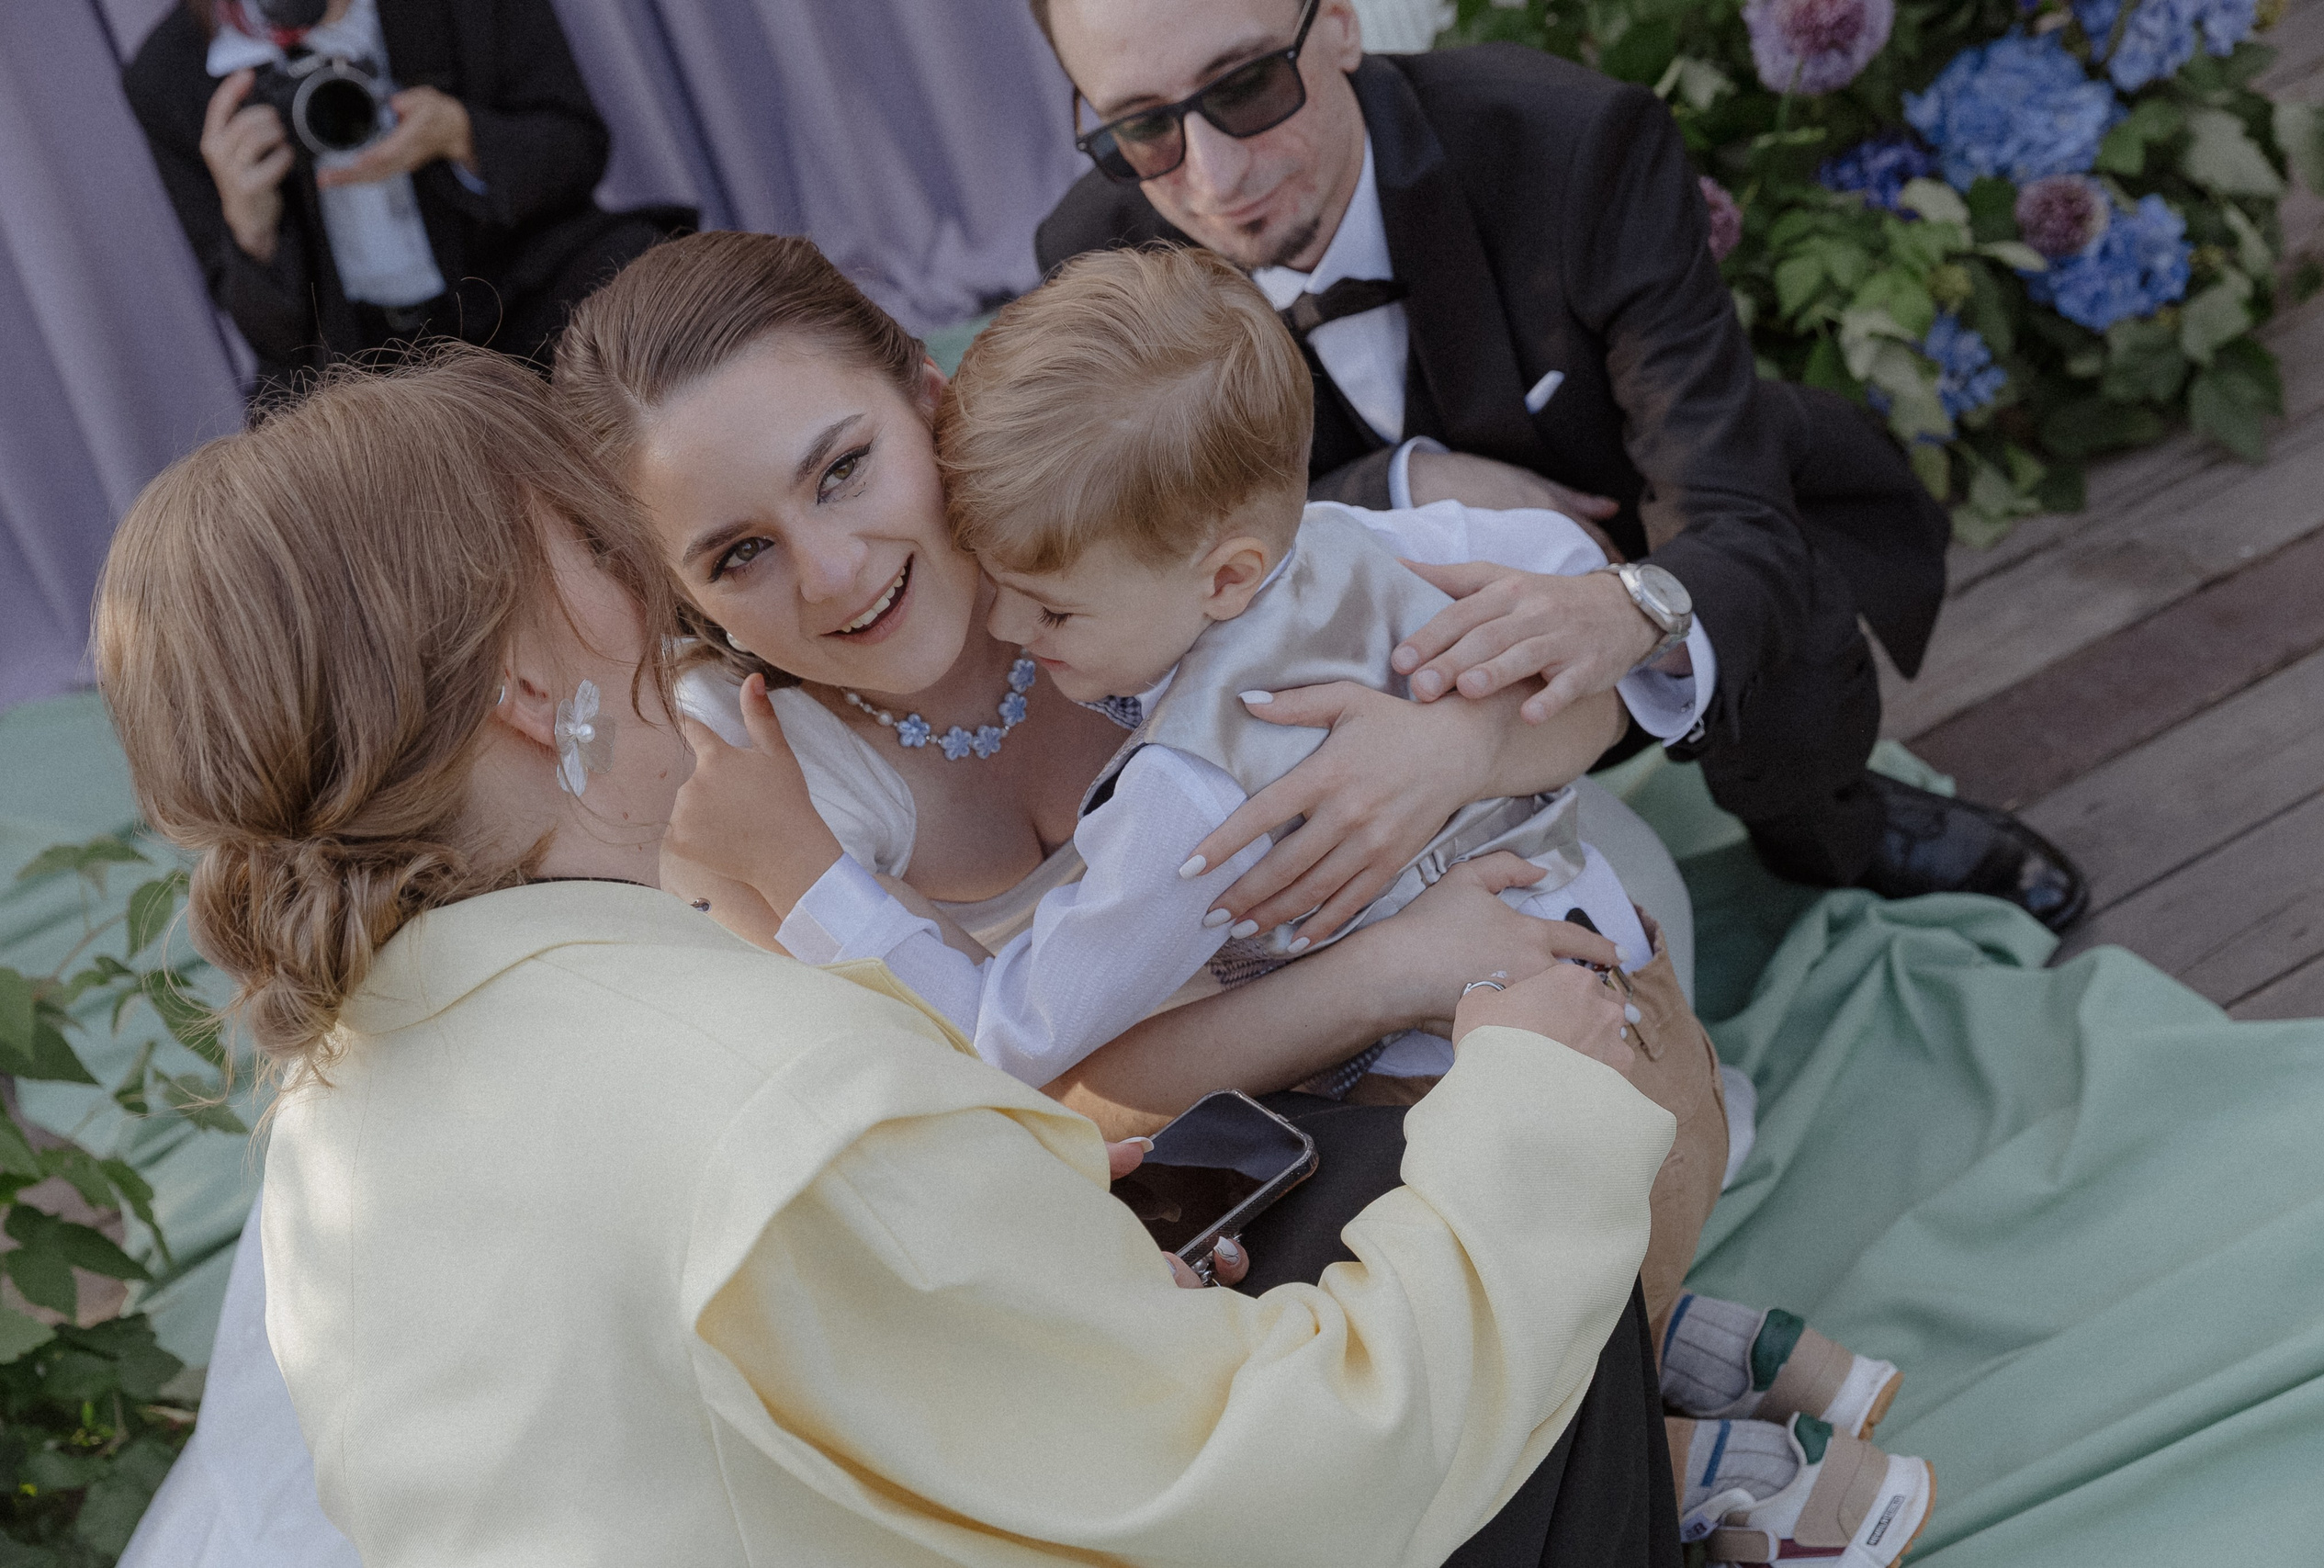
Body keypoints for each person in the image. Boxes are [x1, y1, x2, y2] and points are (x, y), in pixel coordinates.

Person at [97, 344, 1684, 1566]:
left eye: (847, 470)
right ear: (527, 682)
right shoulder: (773, 1085)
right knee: (1519, 1204)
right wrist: (1532, 1107)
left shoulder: (328, 1127)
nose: (654, 607)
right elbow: (1284, 1486)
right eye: (609, 551)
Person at [659, 242, 1932, 1562]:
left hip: (1495, 1011)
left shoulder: (1131, 516)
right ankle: (1675, 1393)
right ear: (678, 587)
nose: (825, 570)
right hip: (1277, 1105)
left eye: (843, 467)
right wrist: (1394, 964)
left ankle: (1652, 1410)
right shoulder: (753, 779)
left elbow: (1576, 636)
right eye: (739, 550)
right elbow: (966, 1104)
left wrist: (1461, 743)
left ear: (935, 397)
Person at [1026, 0, 2091, 933]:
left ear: (1340, 22)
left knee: (1761, 571)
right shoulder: (1106, 259)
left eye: (1249, 84)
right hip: (1344, 623)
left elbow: (1729, 511)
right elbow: (1162, 540)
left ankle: (1828, 823)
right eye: (1141, 127)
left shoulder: (1572, 144)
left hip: (1636, 527)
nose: (1212, 176)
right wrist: (1409, 482)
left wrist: (1630, 605)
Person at [122, 0, 691, 404]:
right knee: (294, 474)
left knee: (651, 309)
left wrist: (461, 135)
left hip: (521, 288)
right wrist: (252, 231)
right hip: (359, 360)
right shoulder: (169, 73)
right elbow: (275, 339)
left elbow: (577, 148)